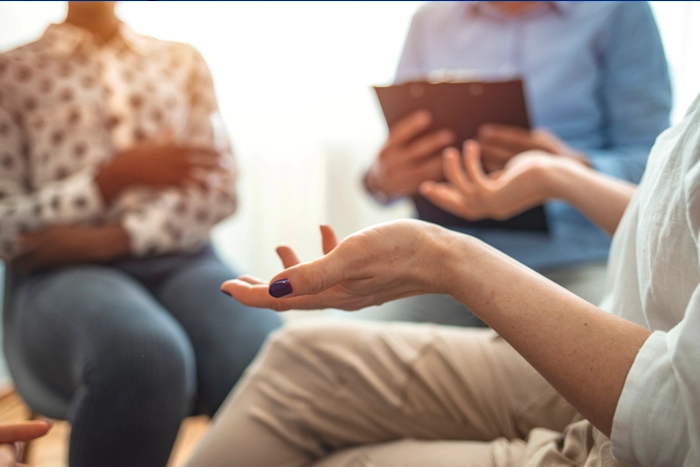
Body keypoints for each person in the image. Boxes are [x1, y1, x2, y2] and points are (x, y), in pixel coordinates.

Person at [185, 92, 700, 466]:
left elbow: (678, 422)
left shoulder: (617, 14)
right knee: (298, 359)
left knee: (345, 458)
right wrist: (552, 176)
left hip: (640, 418)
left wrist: (445, 258)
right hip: (627, 334)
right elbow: (677, 228)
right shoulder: (433, 21)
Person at [0, 3, 281, 466]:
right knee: (142, 356)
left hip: (185, 261)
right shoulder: (13, 72)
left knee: (270, 352)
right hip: (61, 279)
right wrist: (108, 181)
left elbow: (220, 190)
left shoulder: (181, 62)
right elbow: (10, 227)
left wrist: (108, 238)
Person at [359, 1, 671, 326]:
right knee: (346, 353)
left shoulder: (619, 11)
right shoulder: (429, 21)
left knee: (610, 356)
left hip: (571, 260)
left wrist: (570, 168)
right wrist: (383, 178)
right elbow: (387, 165)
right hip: (444, 255)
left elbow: (660, 170)